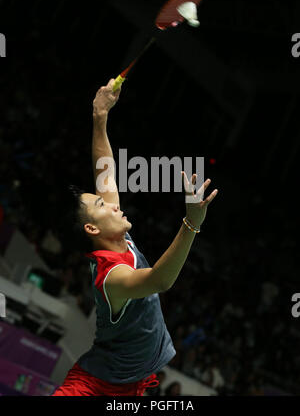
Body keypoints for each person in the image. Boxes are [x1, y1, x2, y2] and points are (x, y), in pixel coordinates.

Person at [51, 78, 218, 396]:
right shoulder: (111, 274)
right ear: (91, 229)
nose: (112, 203)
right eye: (102, 205)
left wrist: (100, 118)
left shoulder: (113, 237)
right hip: (94, 387)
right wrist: (191, 223)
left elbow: (105, 171)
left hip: (132, 385)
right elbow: (159, 280)